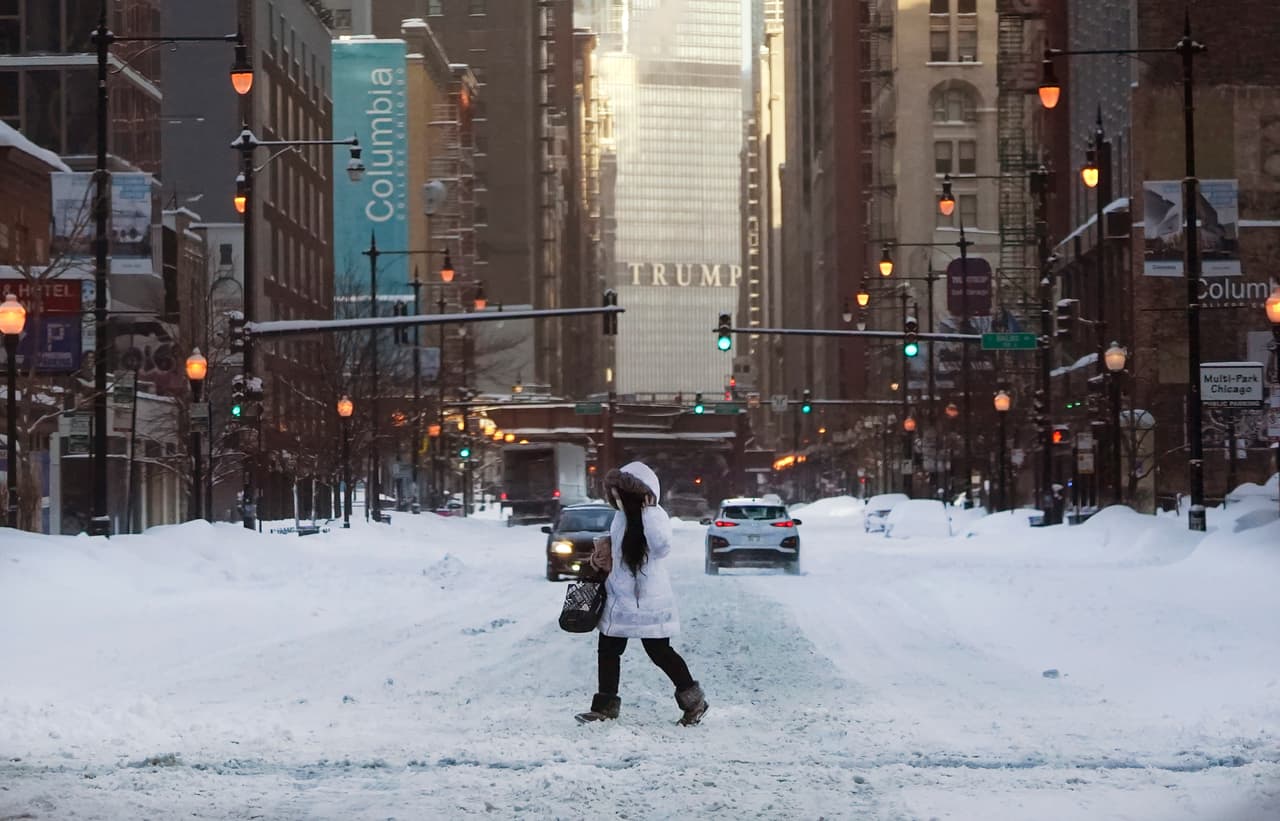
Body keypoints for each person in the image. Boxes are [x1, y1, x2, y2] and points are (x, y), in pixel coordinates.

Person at [576, 461, 708, 726]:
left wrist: (647, 513)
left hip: (648, 599)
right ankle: (604, 707)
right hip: (618, 597)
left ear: (634, 492)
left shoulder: (655, 515)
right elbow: (621, 553)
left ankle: (695, 702)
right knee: (608, 649)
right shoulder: (620, 517)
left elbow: (661, 548)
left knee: (660, 652)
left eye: (619, 492)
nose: (614, 497)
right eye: (612, 492)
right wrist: (603, 553)